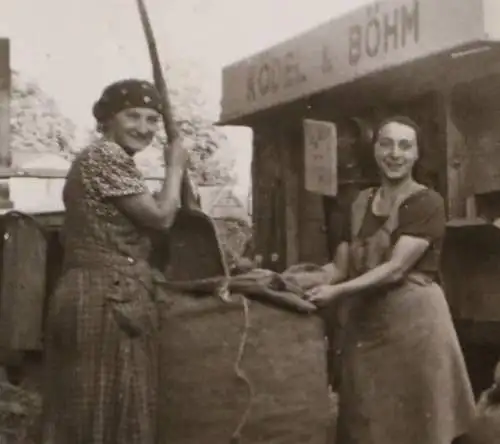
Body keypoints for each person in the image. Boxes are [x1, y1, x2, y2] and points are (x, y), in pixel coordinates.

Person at [306, 116, 476, 444]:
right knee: (366, 421)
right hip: (366, 329)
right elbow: (339, 268)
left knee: (418, 426)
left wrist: (336, 292)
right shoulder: (355, 204)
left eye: (405, 145)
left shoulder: (427, 202)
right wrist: (299, 281)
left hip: (416, 328)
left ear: (416, 154)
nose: (395, 153)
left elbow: (396, 268)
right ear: (374, 149)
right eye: (386, 144)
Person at [42, 79, 190, 444]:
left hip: (97, 291)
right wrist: (175, 167)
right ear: (108, 119)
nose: (144, 128)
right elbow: (160, 218)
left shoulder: (110, 161)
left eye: (153, 119)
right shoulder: (105, 157)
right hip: (107, 297)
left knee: (91, 409)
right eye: (133, 116)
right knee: (111, 409)